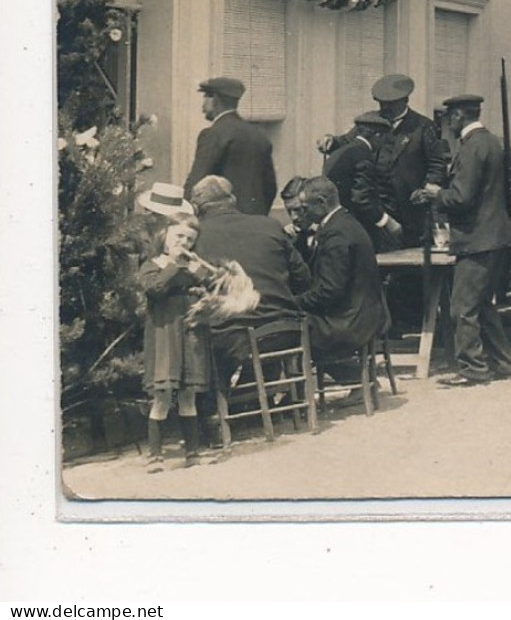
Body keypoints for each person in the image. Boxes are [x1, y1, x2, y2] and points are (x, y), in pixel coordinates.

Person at [415, 94, 511, 386]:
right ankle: (502, 363)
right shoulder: (491, 141)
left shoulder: (472, 147)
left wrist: (436, 194)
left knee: (462, 307)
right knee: (483, 304)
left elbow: (462, 198)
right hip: (495, 236)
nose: (447, 123)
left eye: (449, 117)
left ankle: (473, 368)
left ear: (458, 116)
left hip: (477, 238)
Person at [190, 175, 311, 376]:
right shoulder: (269, 225)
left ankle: (220, 402)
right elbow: (303, 279)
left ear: (195, 208)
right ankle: (262, 399)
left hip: (231, 336)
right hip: (284, 329)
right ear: (232, 201)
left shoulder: (196, 236)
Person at [135, 182, 215, 471]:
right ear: (164, 235)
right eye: (178, 236)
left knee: (188, 396)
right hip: (164, 336)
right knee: (162, 396)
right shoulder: (153, 264)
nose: (184, 243)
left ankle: (192, 453)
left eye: (190, 240)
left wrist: (201, 279)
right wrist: (173, 265)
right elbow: (154, 289)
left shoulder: (191, 266)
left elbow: (212, 288)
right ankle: (155, 456)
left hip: (189, 336)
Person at [292, 176, 386, 370]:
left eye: (304, 206)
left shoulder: (336, 234)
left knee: (288, 326)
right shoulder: (345, 222)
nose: (303, 212)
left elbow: (329, 290)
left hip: (350, 321)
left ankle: (298, 393)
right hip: (364, 313)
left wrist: (293, 302)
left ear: (321, 203)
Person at [361, 74, 450, 252]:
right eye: (381, 104)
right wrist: (331, 141)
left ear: (405, 100)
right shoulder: (373, 122)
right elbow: (350, 140)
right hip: (380, 210)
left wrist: (427, 188)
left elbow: (437, 164)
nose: (385, 108)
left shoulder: (423, 126)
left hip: (410, 209)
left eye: (390, 104)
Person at [184, 77, 277, 216]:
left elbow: (197, 182)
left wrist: (185, 213)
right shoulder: (259, 135)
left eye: (205, 97)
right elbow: (270, 187)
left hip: (221, 221)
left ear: (214, 99)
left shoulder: (213, 134)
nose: (202, 105)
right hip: (255, 221)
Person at [322, 112, 391, 244]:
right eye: (384, 139)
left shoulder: (343, 151)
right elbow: (361, 198)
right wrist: (384, 220)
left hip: (336, 221)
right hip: (354, 225)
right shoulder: (363, 154)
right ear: (377, 136)